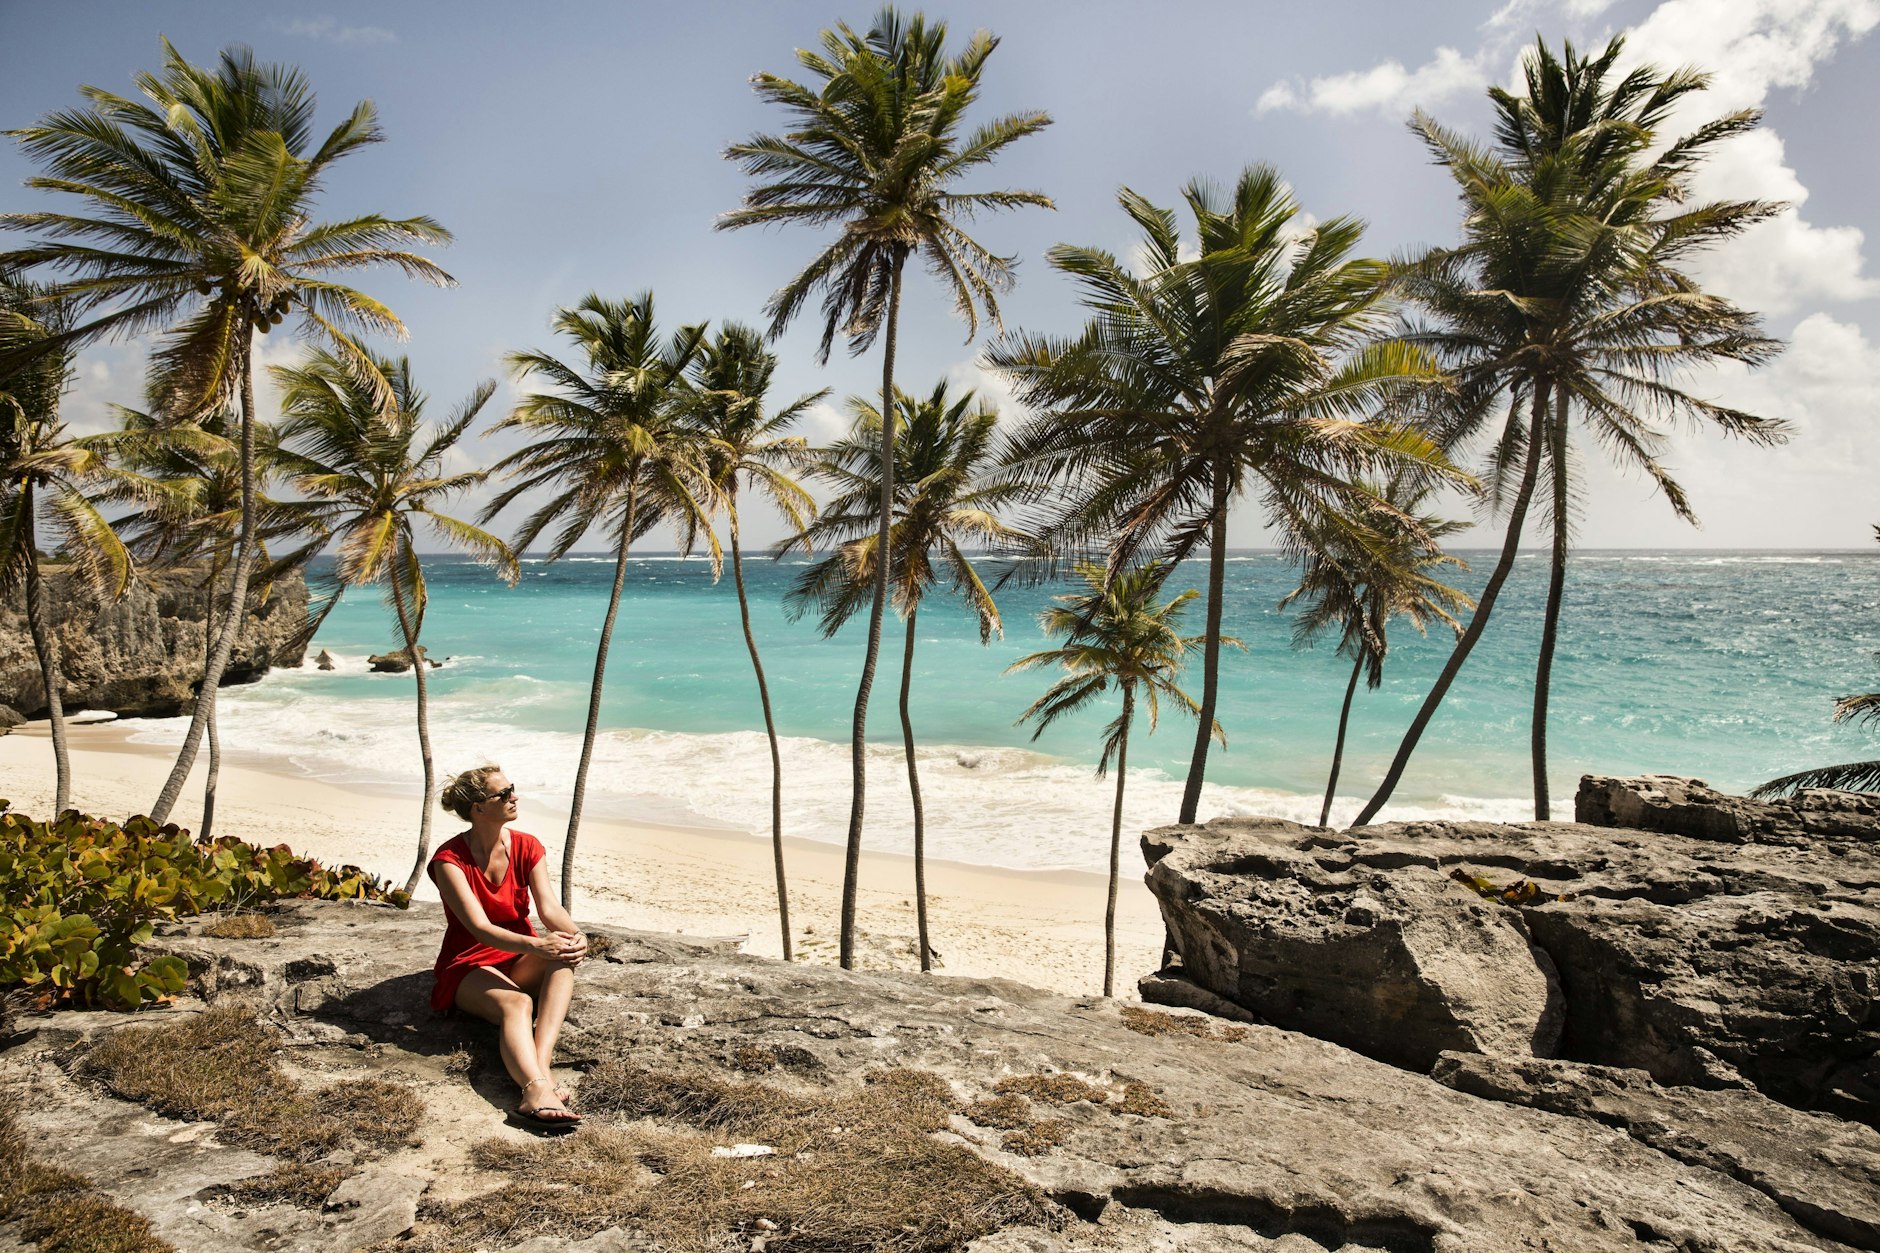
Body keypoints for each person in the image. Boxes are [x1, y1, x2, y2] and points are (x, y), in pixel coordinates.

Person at [429, 764, 588, 1127]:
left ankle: (542, 1068)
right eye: (503, 793)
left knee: (563, 955)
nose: (514, 797)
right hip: (468, 964)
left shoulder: (527, 846)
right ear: (478, 809)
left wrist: (576, 935)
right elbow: (479, 928)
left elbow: (548, 907)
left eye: (511, 788)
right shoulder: (448, 861)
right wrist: (536, 946)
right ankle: (533, 1092)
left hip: (517, 956)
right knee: (518, 1003)